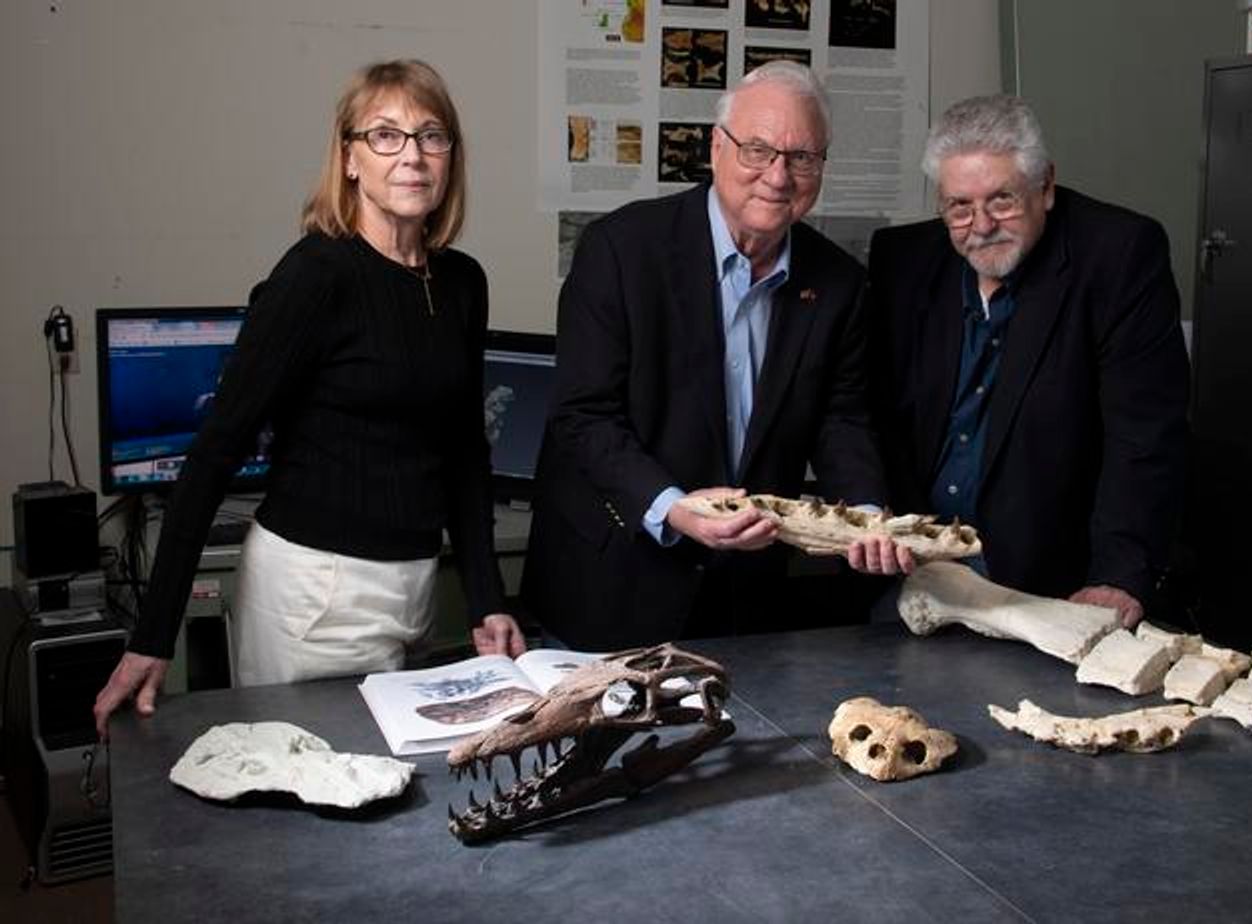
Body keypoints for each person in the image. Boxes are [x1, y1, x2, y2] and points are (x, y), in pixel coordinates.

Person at [94, 59, 525, 737]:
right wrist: (153, 635)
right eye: (385, 135)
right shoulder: (314, 277)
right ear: (350, 158)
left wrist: (486, 600)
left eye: (430, 135)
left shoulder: (462, 282)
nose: (410, 156)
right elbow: (213, 455)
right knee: (318, 818)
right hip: (316, 597)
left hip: (416, 586)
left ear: (450, 157)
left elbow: (464, 453)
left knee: (400, 812)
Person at [523, 61, 912, 653]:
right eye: (758, 150)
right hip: (613, 579)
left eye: (801, 158)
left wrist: (861, 517)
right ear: (715, 147)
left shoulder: (838, 283)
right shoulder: (621, 250)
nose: (778, 176)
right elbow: (583, 416)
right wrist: (672, 508)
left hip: (744, 594)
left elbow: (843, 419)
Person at [865, 94, 1189, 629]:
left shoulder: (1119, 254)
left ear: (1046, 186)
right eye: (959, 206)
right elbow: (870, 412)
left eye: (1003, 200)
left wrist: (1118, 573)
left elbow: (1145, 434)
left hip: (1049, 576)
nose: (981, 224)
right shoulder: (904, 260)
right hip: (917, 568)